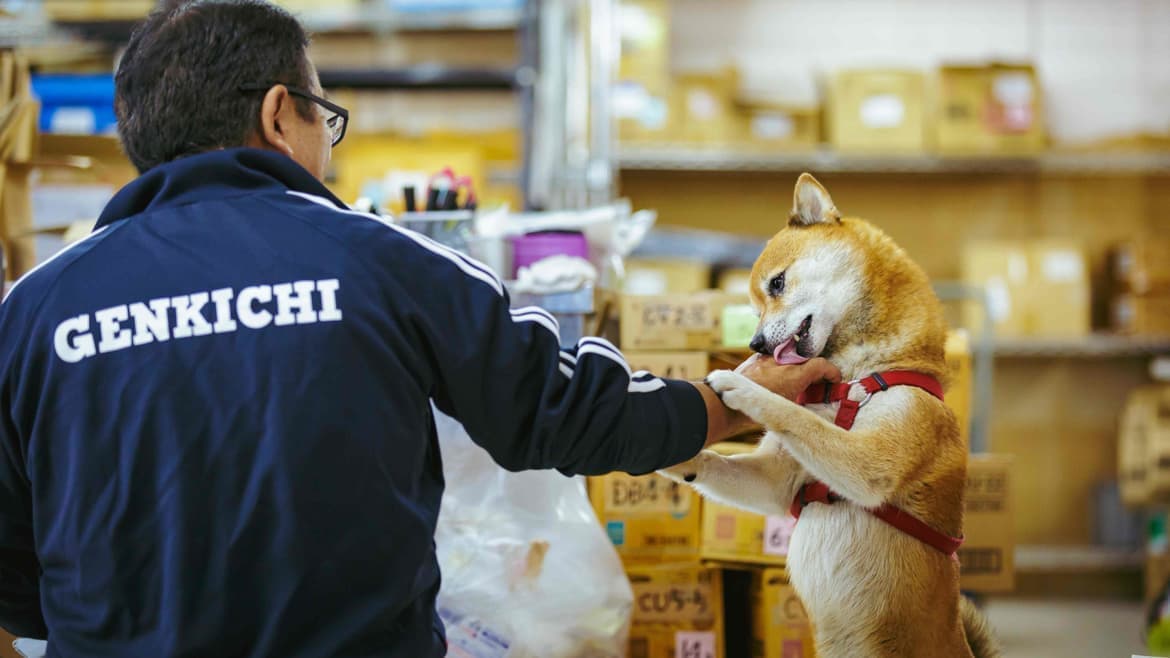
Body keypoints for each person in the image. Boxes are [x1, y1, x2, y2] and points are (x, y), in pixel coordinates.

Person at [0, 1, 840, 656]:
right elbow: (565, 407)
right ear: (278, 113)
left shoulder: (33, 311)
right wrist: (740, 401)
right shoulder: (379, 262)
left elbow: (12, 569)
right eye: (323, 118)